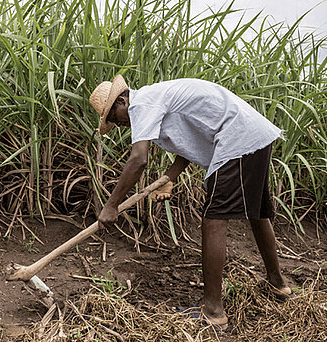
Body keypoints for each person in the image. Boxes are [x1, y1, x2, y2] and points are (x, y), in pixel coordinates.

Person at [89, 75, 292, 329]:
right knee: (258, 213)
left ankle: (213, 311)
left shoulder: (141, 105)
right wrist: (169, 179)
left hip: (236, 138)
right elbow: (186, 148)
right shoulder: (156, 100)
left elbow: (138, 160)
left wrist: (111, 205)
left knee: (213, 220)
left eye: (112, 118)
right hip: (252, 134)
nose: (117, 125)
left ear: (121, 101)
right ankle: (278, 284)